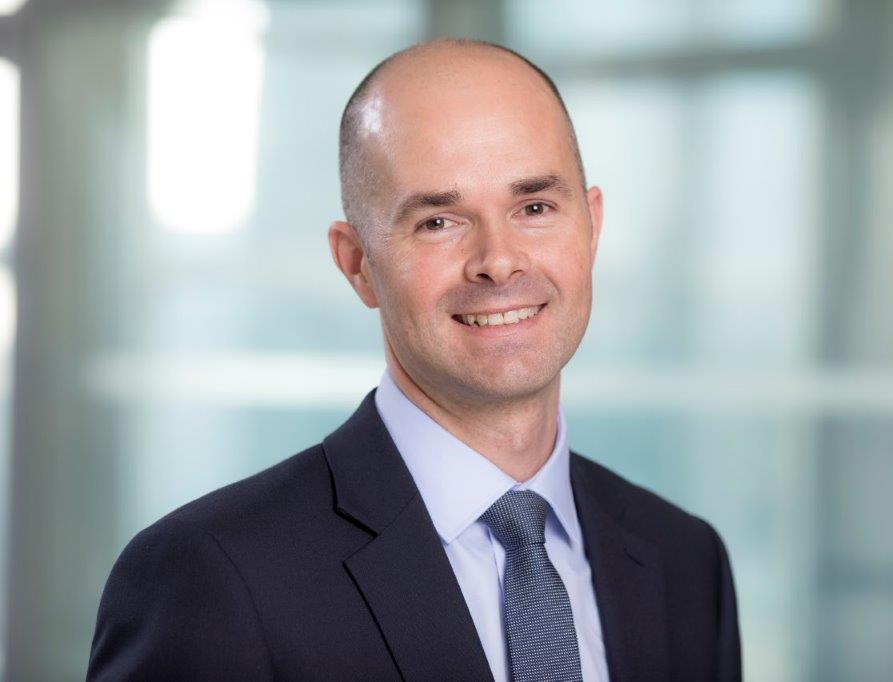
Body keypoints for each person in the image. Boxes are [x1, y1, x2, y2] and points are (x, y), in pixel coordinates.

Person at [87, 39, 741, 681]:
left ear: (591, 225)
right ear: (357, 264)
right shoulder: (212, 576)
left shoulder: (685, 563)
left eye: (535, 207)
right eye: (438, 222)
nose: (498, 261)